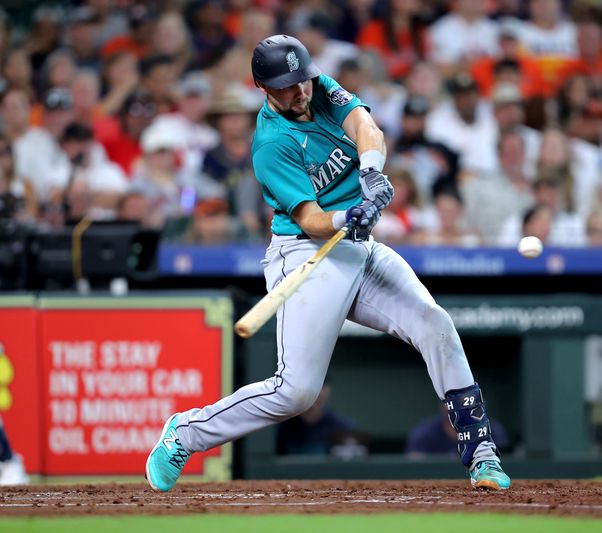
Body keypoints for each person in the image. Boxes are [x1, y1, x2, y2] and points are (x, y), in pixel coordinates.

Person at [146, 35, 510, 491]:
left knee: (435, 324)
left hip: (358, 247)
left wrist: (371, 173)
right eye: (286, 85)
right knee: (295, 392)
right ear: (262, 87)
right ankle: (185, 433)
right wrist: (346, 214)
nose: (299, 91)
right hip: (304, 253)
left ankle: (481, 453)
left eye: (301, 80)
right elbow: (313, 220)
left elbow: (365, 128)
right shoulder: (270, 145)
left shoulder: (316, 85)